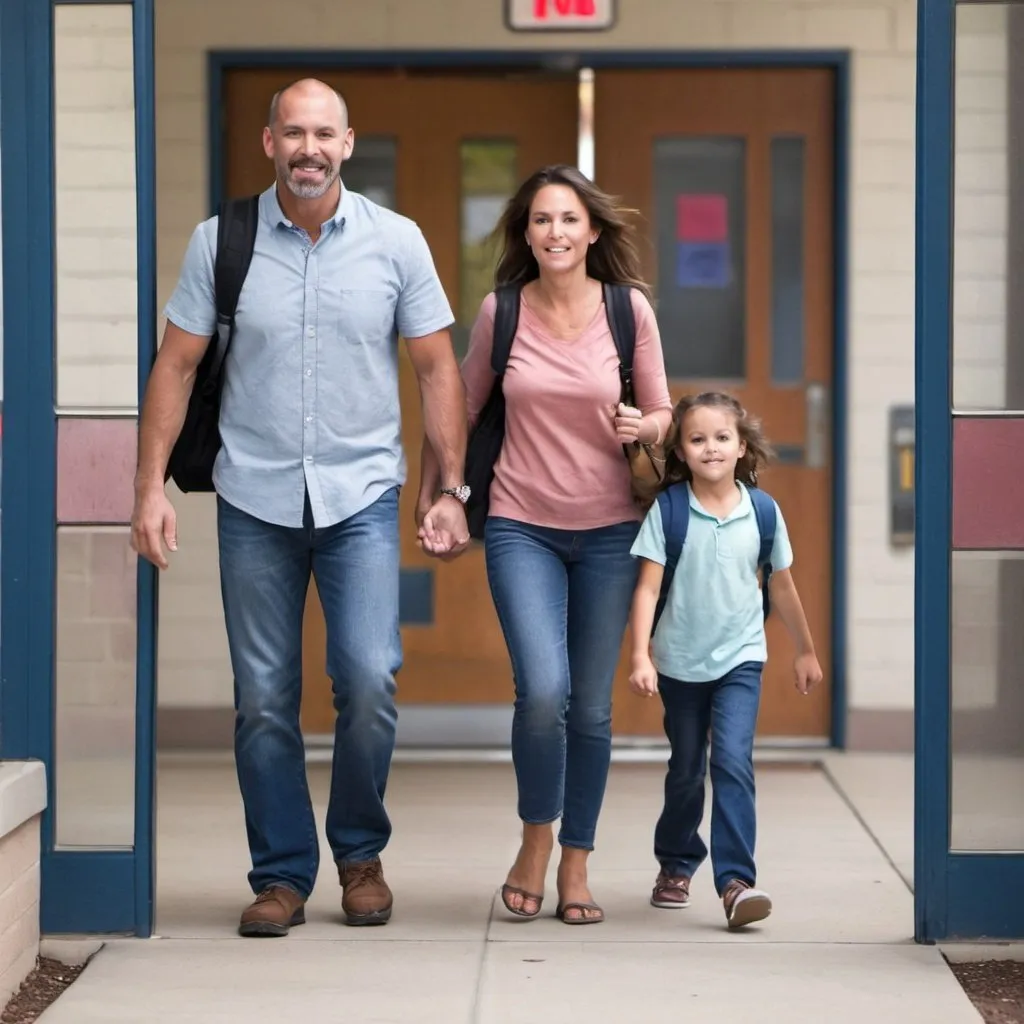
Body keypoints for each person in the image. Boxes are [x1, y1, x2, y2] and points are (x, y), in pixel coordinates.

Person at [130, 78, 471, 937]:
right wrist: (147, 490)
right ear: (268, 143)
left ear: (348, 142)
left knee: (367, 677)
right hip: (254, 496)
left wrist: (448, 491)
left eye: (324, 134)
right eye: (294, 133)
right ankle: (281, 874)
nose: (309, 149)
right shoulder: (223, 242)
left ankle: (359, 853)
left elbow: (438, 371)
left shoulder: (398, 243)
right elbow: (173, 368)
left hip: (360, 496)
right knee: (263, 697)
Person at [419, 165, 672, 924]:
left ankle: (577, 864)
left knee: (590, 710)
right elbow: (457, 409)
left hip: (613, 533)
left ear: (593, 230)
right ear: (525, 235)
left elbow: (663, 410)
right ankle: (536, 839)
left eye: (567, 219)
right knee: (543, 693)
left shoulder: (630, 311)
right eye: (539, 221)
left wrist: (645, 426)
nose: (554, 232)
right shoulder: (503, 311)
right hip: (523, 524)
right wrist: (443, 497)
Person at [627, 391, 823, 929]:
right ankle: (676, 860)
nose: (710, 447)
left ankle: (736, 882)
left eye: (721, 437)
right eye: (696, 439)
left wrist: (805, 649)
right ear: (682, 452)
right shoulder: (668, 512)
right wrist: (640, 655)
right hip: (679, 662)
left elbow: (780, 585)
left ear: (742, 447)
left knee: (732, 762)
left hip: (741, 658)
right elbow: (646, 590)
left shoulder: (762, 511)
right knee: (687, 769)